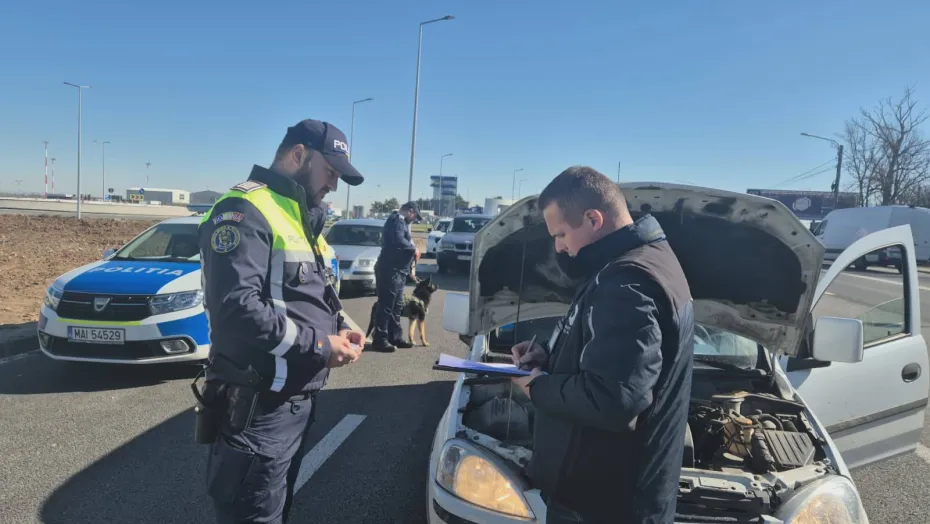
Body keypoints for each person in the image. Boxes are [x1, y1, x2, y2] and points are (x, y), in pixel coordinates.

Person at [197, 118, 366, 524]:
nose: (333, 185)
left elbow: (311, 291)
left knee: (275, 511)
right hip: (259, 410)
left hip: (294, 402)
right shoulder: (244, 209)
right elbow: (237, 308)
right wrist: (321, 346)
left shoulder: (299, 213)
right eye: (331, 172)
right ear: (298, 155)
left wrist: (341, 321)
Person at [510, 166, 694, 523]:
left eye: (561, 234)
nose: (559, 247)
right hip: (608, 493)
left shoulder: (627, 284)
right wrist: (548, 358)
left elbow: (614, 399)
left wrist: (537, 388)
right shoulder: (639, 261)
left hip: (603, 504)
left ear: (594, 218)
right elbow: (607, 353)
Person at [370, 201, 422, 352]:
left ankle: (395, 337)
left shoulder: (401, 222)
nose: (414, 219)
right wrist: (413, 249)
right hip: (390, 270)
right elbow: (398, 241)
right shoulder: (396, 221)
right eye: (415, 216)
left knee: (396, 305)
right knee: (386, 305)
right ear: (411, 211)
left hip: (398, 271)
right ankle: (380, 339)